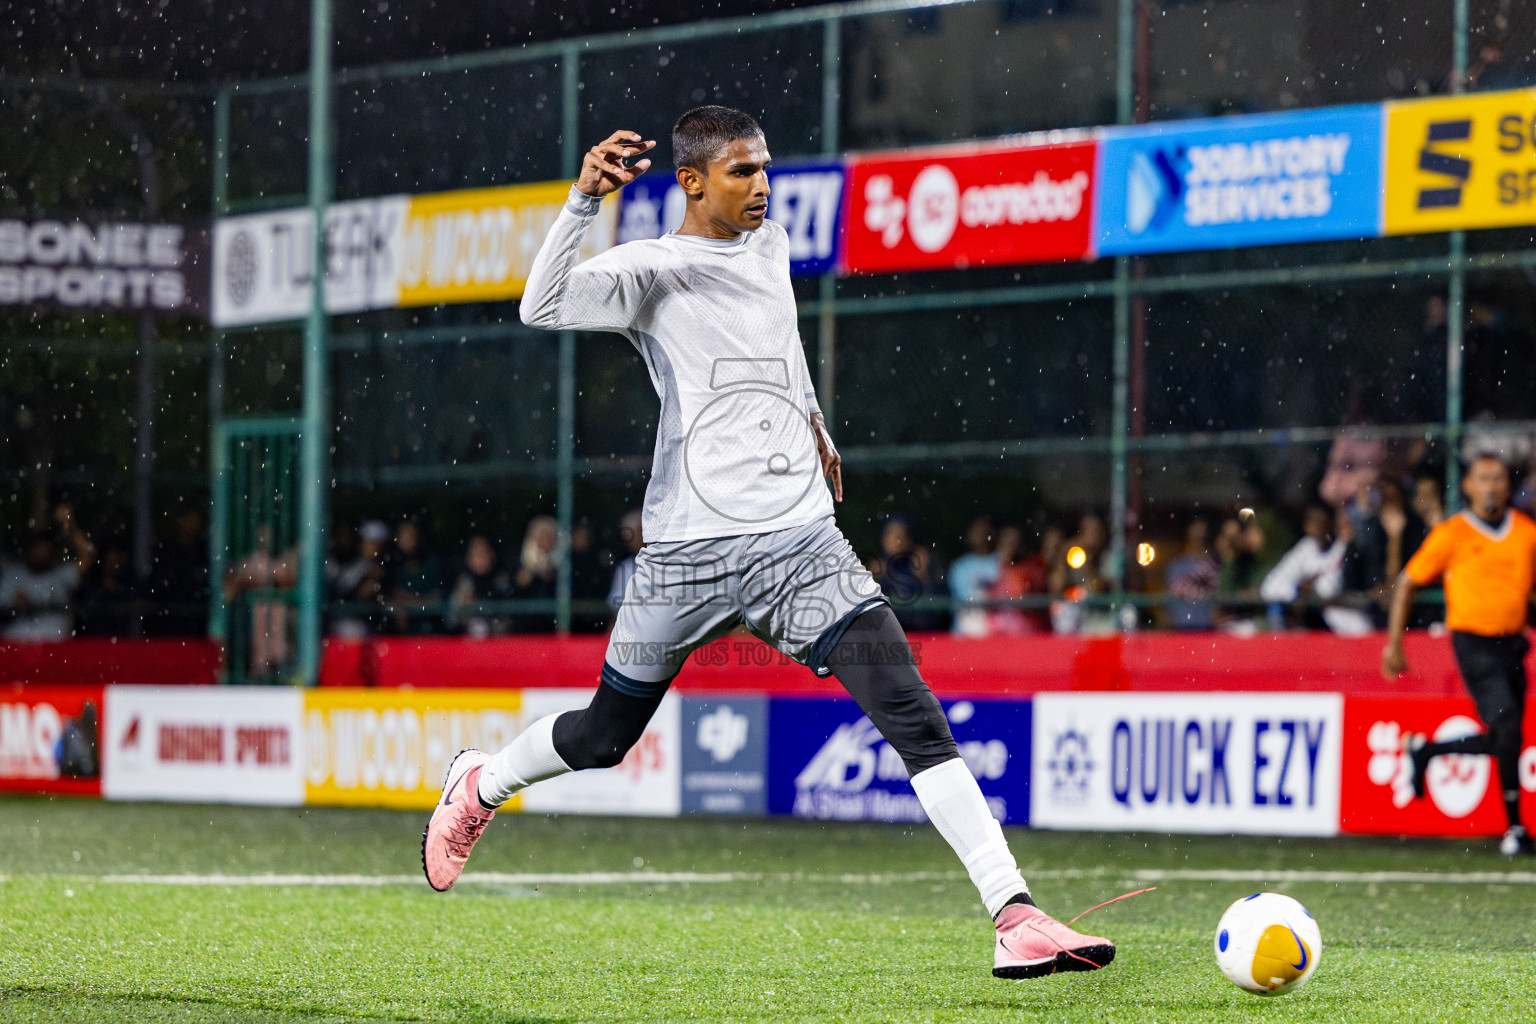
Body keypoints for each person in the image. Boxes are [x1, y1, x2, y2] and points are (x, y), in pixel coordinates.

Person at [422, 108, 1117, 979]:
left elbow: (777, 347)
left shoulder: (773, 242)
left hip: (799, 543)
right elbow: (542, 304)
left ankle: (1013, 915)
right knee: (604, 736)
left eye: (766, 168)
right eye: (743, 171)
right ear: (692, 181)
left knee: (911, 712)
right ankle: (480, 784)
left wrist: (813, 419)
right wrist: (581, 202)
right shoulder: (651, 268)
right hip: (686, 554)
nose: (762, 185)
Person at [1382, 454, 1536, 857]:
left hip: (1514, 644)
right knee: (1506, 722)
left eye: (1499, 478)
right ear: (1468, 486)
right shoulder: (1452, 533)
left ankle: (1426, 751)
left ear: (1508, 486)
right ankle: (1515, 829)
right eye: (1483, 478)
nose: (1491, 486)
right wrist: (1395, 643)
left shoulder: (1526, 532)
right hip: (1474, 643)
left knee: (1506, 737)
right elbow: (1407, 583)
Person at [1, 503, 96, 641]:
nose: (41, 554)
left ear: (52, 553)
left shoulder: (62, 574)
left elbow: (89, 557)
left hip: (54, 639)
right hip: (19, 638)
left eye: (45, 550)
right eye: (37, 550)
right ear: (28, 551)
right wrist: (16, 603)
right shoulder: (14, 573)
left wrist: (70, 525)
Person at [1259, 503, 1346, 629]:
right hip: (1309, 618)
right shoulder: (1307, 546)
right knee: (1277, 607)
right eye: (1311, 520)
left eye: (1319, 520)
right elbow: (1269, 587)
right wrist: (1298, 586)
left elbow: (1328, 590)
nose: (1314, 526)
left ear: (1331, 521)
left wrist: (1309, 587)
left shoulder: (1341, 547)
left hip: (1341, 620)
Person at [947, 515, 1000, 637]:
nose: (980, 534)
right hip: (963, 634)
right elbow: (958, 601)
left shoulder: (1003, 562)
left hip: (997, 634)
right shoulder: (959, 566)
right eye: (976, 530)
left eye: (984, 529)